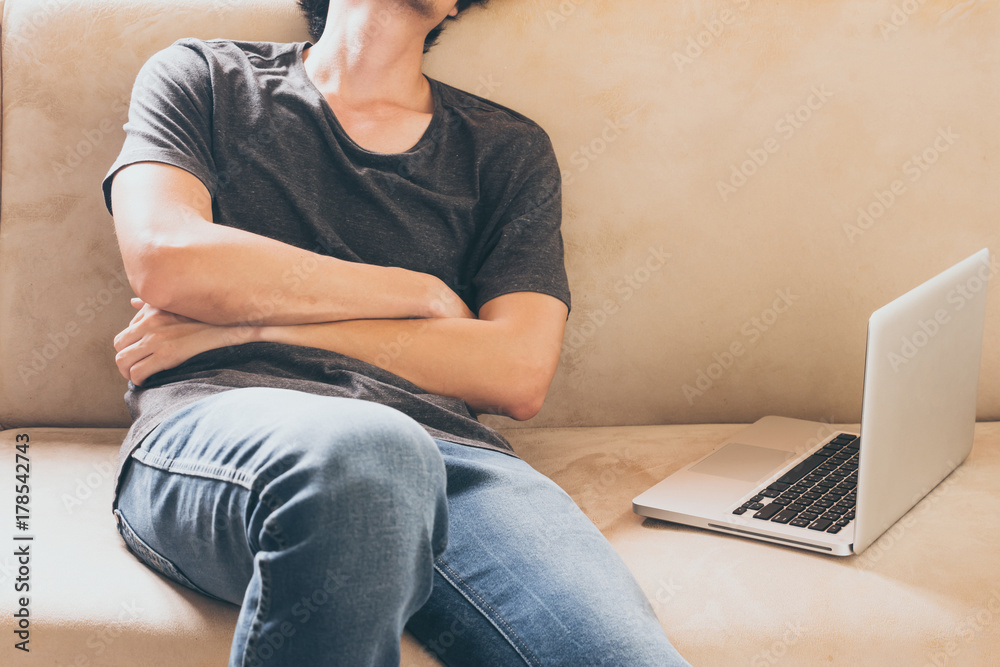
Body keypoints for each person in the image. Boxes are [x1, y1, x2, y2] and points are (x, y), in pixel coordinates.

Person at [104, 0, 690, 664]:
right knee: (371, 454)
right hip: (225, 427)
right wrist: (418, 292)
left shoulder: (506, 150)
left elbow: (518, 368)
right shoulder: (202, 78)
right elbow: (165, 256)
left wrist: (252, 318)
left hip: (456, 463)